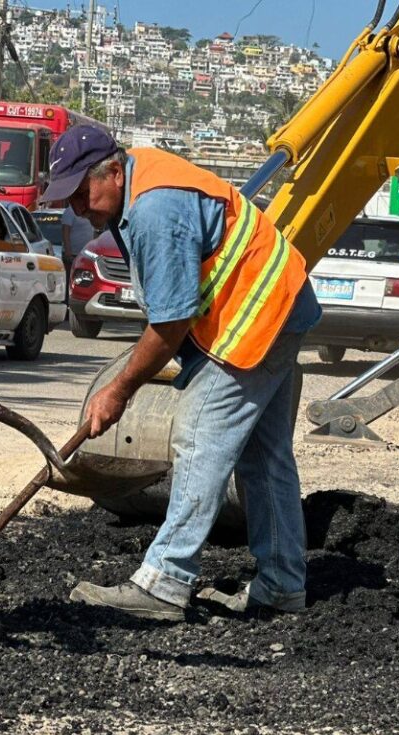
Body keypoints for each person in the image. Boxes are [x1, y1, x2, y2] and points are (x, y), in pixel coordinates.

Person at [41, 125, 320, 621]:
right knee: (264, 455)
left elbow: (169, 323)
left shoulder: (154, 210)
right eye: (70, 201)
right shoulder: (139, 181)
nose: (79, 210)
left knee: (197, 437)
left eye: (83, 194)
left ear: (110, 169)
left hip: (254, 317)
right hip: (281, 305)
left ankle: (165, 581)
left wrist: (120, 388)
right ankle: (281, 584)